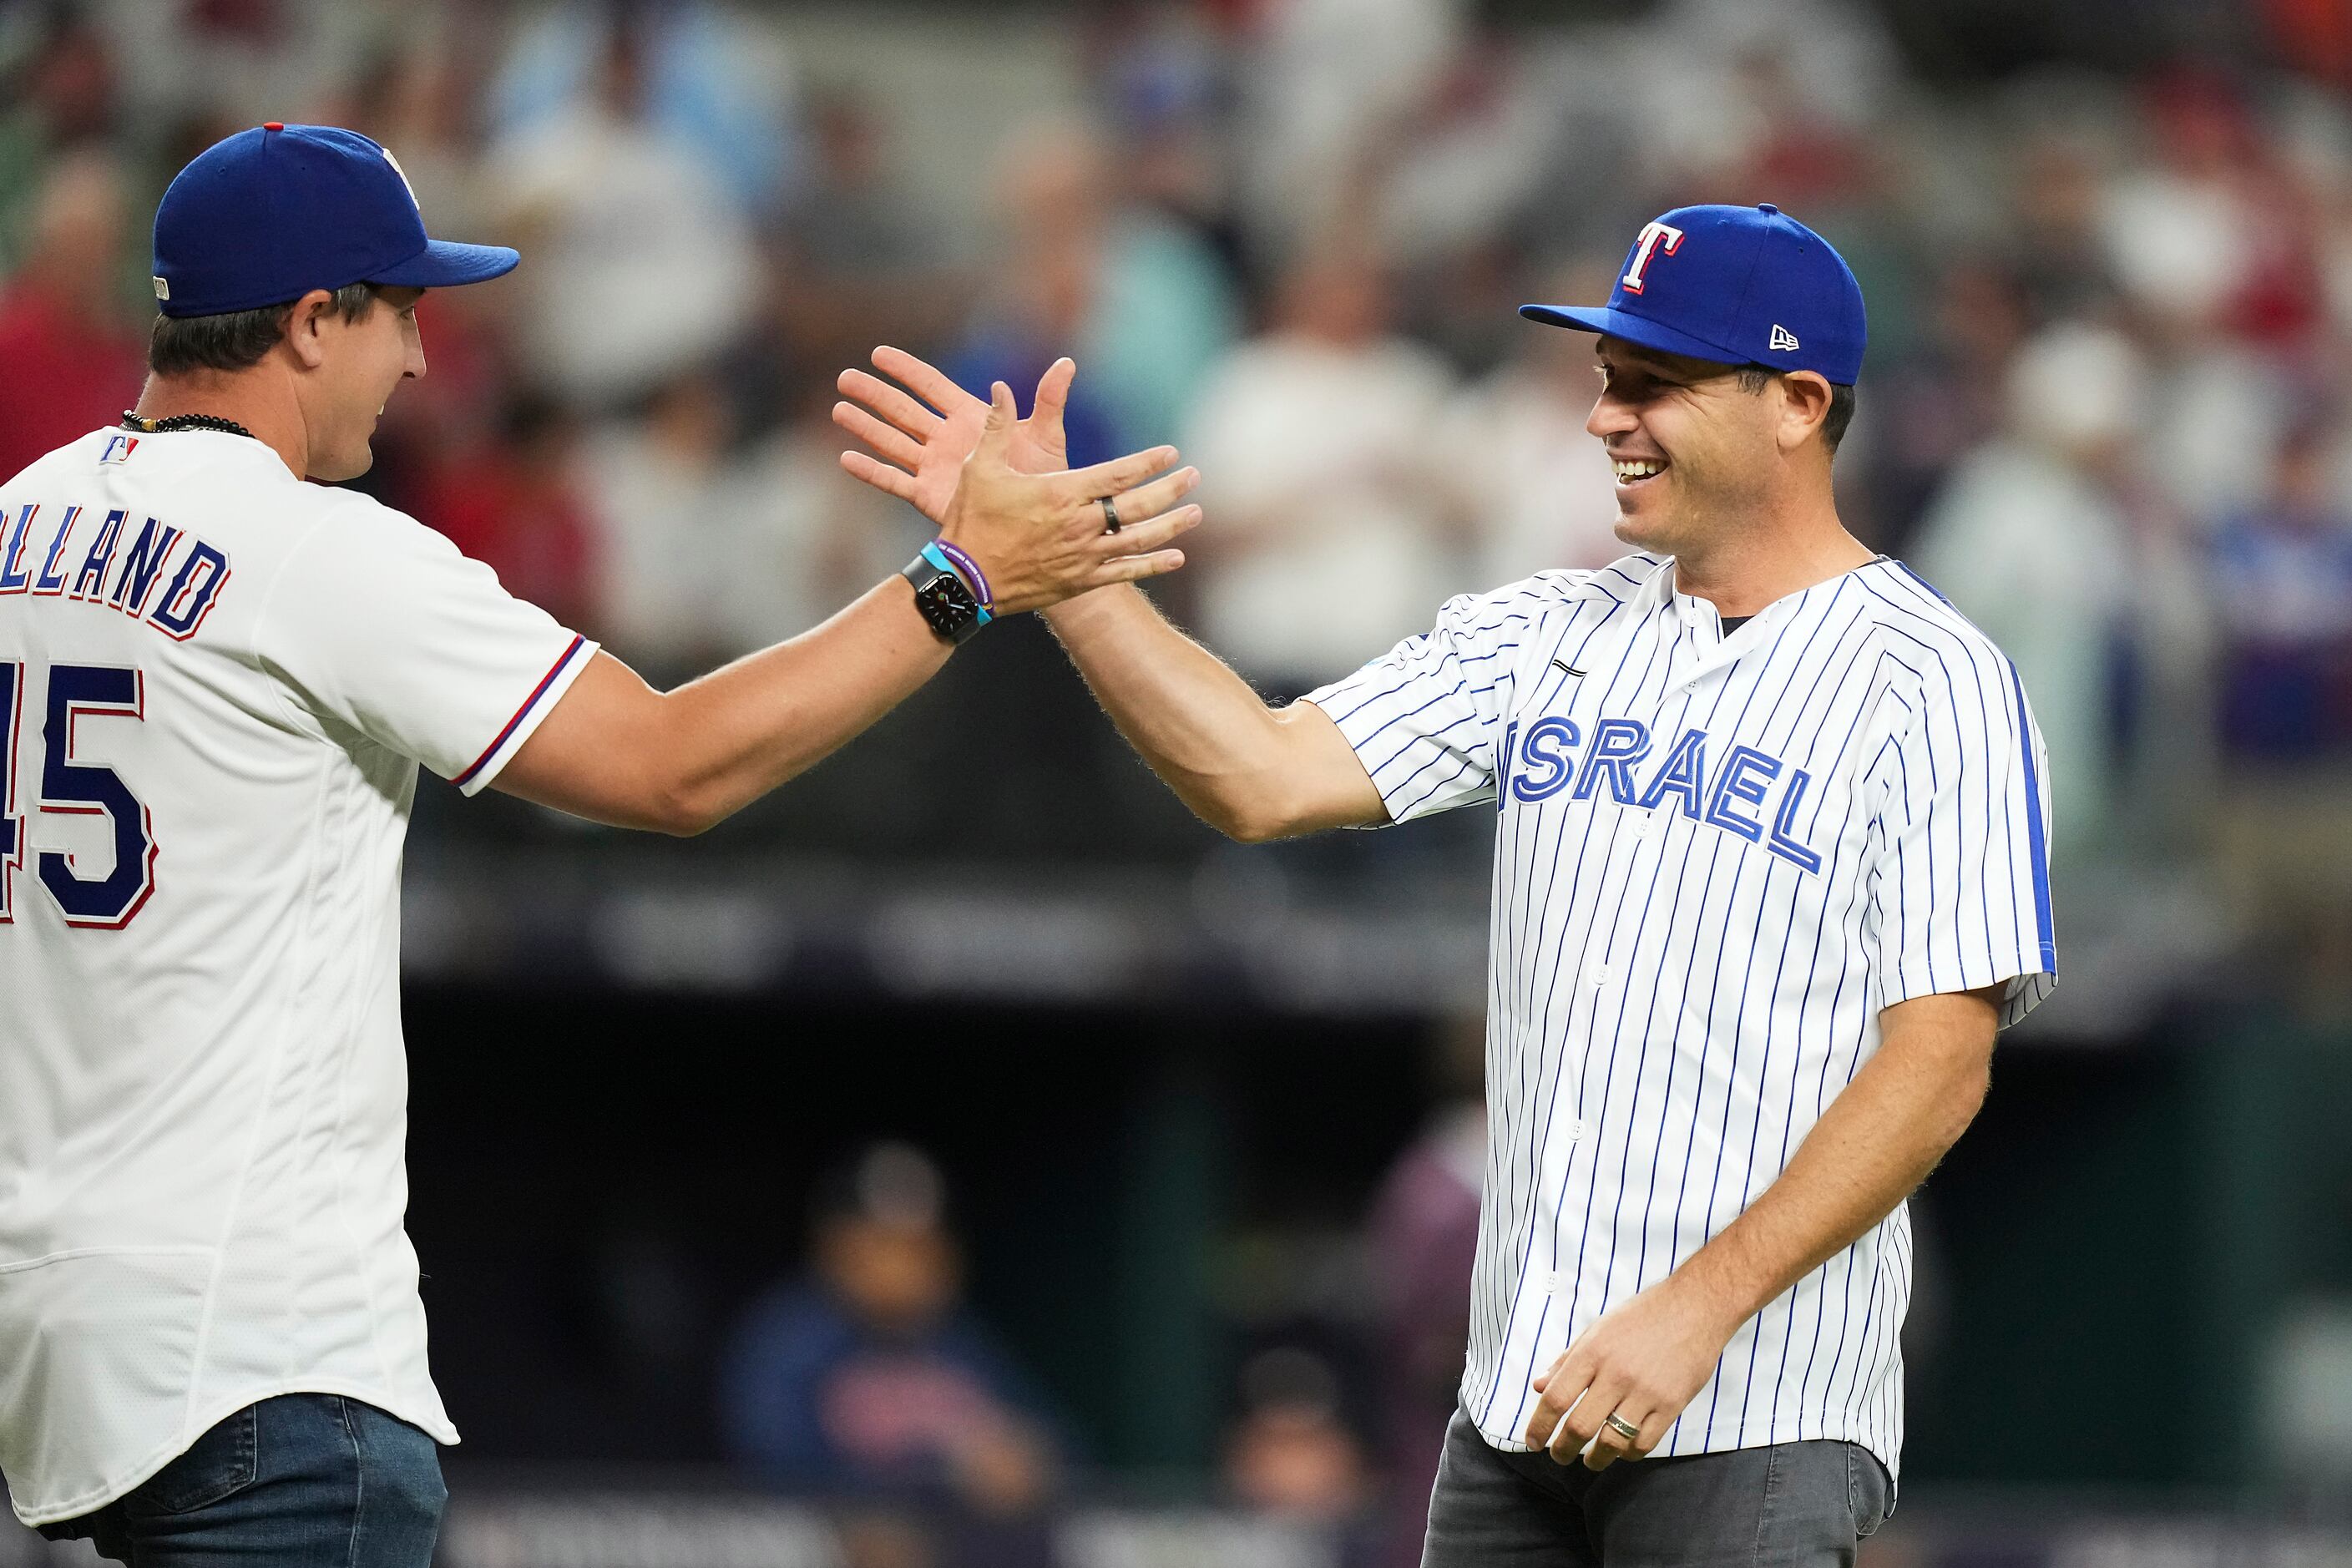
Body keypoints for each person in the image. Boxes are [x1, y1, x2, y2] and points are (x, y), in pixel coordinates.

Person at [0, 123, 1197, 1567]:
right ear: (314, 322)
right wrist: (962, 579)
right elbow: (669, 764)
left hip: (49, 1333)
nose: (424, 362)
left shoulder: (22, 521)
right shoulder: (314, 547)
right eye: (401, 313)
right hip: (261, 1346)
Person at [837, 203, 2056, 1565]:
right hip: (1513, 1415)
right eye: (1607, 376)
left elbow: (1939, 1060)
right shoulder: (1549, 624)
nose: (1607, 415)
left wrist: (1700, 1305)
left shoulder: (1931, 677)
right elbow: (1261, 771)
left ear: (1797, 402)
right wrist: (1061, 579)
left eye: (1655, 380)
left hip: (1757, 1410)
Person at [719, 1144, 1058, 1521]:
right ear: (836, 1246)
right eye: (885, 1243)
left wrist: (1027, 1459)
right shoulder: (789, 1337)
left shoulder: (961, 1344)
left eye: (921, 1246)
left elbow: (1055, 1446)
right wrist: (860, 1508)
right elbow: (771, 1457)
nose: (905, 1265)